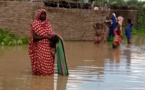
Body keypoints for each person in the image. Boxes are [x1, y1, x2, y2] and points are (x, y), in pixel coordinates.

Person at [29, 9, 58, 76]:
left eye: (44, 14)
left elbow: (51, 33)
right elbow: (34, 38)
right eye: (42, 14)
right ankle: (40, 75)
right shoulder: (35, 25)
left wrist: (55, 37)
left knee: (49, 62)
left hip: (48, 47)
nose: (43, 15)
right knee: (41, 63)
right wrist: (46, 37)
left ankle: (48, 78)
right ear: (39, 15)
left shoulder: (48, 24)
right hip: (39, 47)